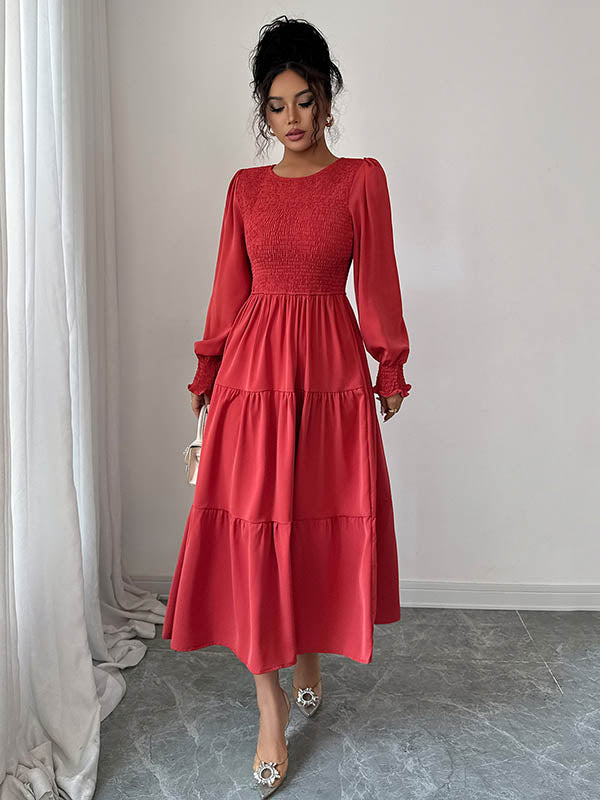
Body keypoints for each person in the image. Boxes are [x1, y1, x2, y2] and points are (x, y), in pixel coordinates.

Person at [162, 15, 412, 796]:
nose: (293, 118)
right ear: (262, 112)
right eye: (276, 106)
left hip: (329, 378)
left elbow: (377, 281)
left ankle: (308, 653)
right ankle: (269, 707)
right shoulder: (246, 190)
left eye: (305, 100)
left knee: (309, 526)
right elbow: (227, 293)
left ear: (328, 100)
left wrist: (390, 364)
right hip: (253, 380)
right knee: (255, 534)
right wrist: (206, 374)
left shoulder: (361, 180)